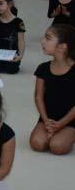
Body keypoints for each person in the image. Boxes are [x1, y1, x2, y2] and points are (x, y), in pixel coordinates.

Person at [30, 24, 75, 155]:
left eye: (48, 38)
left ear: (63, 46)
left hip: (70, 119)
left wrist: (61, 124)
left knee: (57, 146)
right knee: (37, 143)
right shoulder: (43, 68)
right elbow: (38, 97)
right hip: (48, 117)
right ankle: (53, 129)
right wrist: (46, 121)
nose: (42, 41)